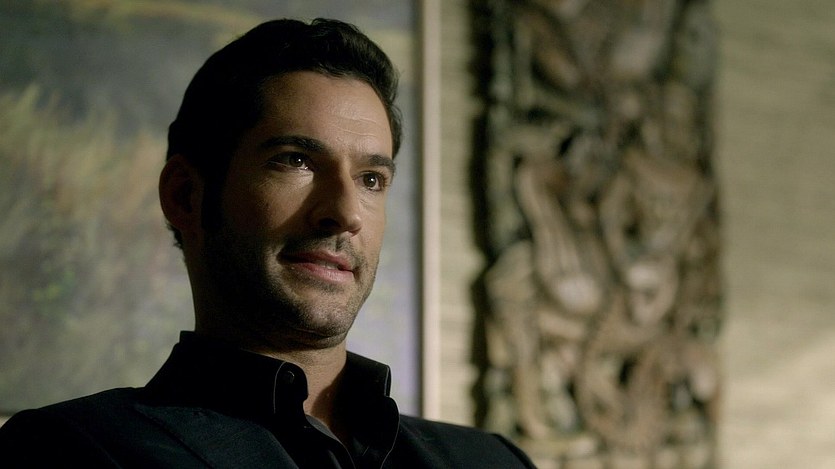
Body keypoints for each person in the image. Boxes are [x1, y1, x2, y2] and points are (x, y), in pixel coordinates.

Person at [0, 18, 535, 468]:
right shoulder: (67, 450)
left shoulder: (492, 461)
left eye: (371, 179)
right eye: (295, 161)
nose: (346, 212)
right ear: (185, 196)